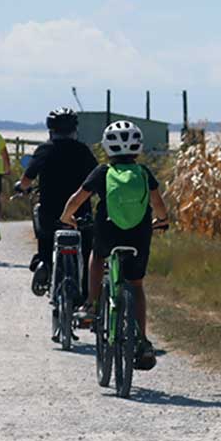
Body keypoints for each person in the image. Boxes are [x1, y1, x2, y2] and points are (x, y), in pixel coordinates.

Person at [60, 121, 169, 370]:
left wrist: (67, 218)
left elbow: (78, 199)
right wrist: (163, 220)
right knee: (137, 285)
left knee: (98, 257)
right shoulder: (143, 173)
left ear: (107, 147)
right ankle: (141, 339)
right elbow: (158, 203)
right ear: (138, 147)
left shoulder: (102, 172)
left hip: (108, 231)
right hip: (139, 234)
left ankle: (92, 303)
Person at [16, 108, 98, 296]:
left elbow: (27, 179)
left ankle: (44, 260)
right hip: (79, 214)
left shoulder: (45, 149)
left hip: (51, 213)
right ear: (74, 129)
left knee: (44, 229)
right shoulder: (83, 150)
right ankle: (86, 295)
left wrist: (22, 187)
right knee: (86, 250)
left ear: (51, 129)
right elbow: (96, 177)